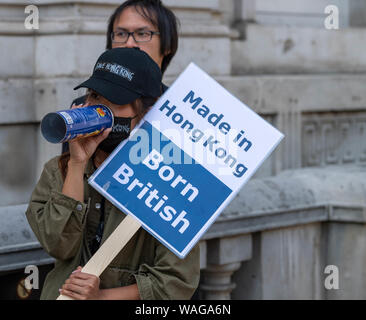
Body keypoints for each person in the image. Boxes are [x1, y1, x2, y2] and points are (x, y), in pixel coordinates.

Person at [26, 47, 200, 300]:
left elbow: (175, 282)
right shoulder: (59, 169)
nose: (97, 108)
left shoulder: (173, 183)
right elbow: (59, 245)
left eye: (113, 100)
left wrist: (101, 297)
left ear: (146, 115)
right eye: (94, 95)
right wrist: (77, 165)